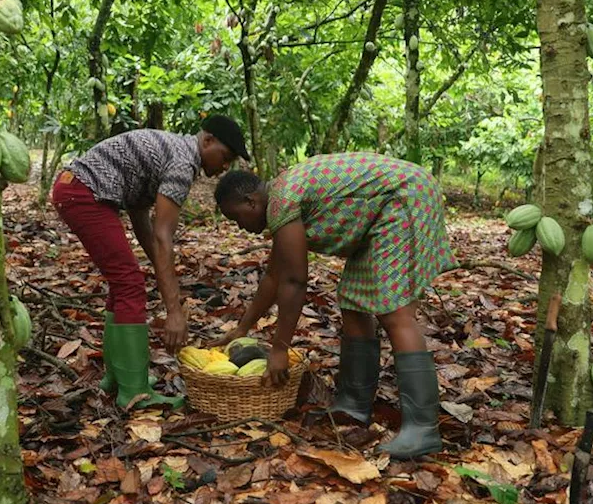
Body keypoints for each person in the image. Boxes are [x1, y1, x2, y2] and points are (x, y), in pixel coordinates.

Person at [211, 152, 454, 458]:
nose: (240, 227)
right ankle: (354, 403)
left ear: (250, 202)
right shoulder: (280, 200)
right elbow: (274, 276)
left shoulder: (282, 199)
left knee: (395, 313)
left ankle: (422, 429)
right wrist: (242, 328)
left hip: (404, 197)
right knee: (354, 301)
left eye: (236, 218)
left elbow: (295, 281)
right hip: (380, 213)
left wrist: (279, 348)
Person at [51, 116, 248, 410]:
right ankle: (134, 392)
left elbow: (142, 218)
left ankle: (118, 377)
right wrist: (174, 311)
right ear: (207, 141)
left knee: (125, 283)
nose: (225, 167)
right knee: (130, 284)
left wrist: (163, 275)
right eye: (226, 157)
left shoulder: (172, 152)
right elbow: (162, 236)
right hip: (84, 192)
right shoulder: (184, 162)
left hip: (75, 188)